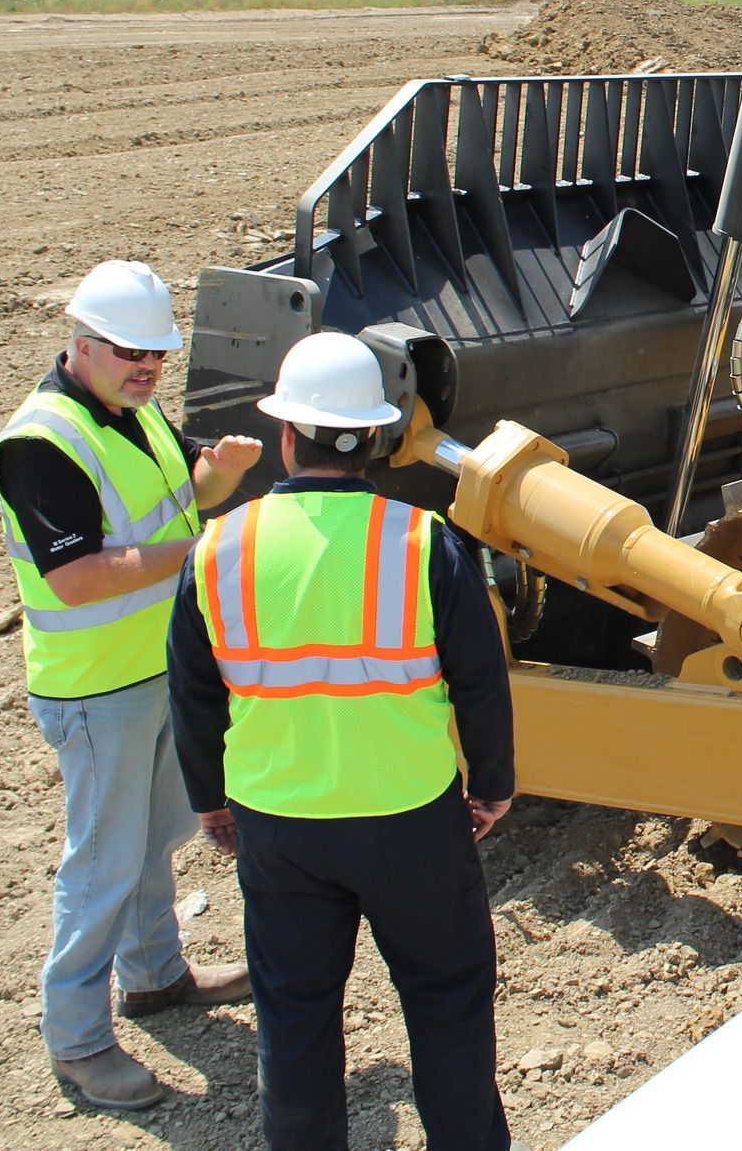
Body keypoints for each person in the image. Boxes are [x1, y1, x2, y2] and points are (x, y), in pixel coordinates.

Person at [167, 331, 516, 1151]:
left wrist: (211, 804)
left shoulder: (219, 547)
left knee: (294, 1017)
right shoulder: (428, 543)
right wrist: (492, 784)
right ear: (380, 440)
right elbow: (480, 679)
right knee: (447, 1004)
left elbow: (191, 693)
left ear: (287, 435)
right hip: (411, 820)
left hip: (279, 825)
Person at [0, 259, 263, 1111]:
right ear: (81, 342)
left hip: (153, 672)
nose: (148, 368)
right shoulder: (42, 443)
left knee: (153, 838)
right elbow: (76, 577)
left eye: (157, 354)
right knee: (101, 864)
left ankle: (154, 977)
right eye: (131, 352)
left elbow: (184, 496)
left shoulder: (132, 417)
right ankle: (76, 1038)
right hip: (94, 688)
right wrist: (201, 552)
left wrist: (225, 473)